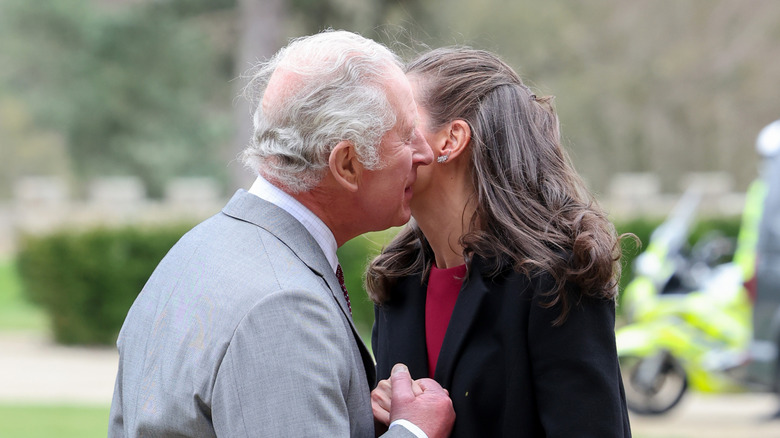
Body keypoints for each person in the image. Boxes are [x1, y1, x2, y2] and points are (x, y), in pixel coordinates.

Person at [108, 30, 455, 437]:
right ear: (346, 165)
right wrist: (414, 432)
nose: (425, 153)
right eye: (405, 134)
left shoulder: (198, 248)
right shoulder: (281, 308)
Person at [367, 47, 631, 437]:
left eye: (399, 120)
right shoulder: (396, 282)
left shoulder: (553, 278)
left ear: (451, 140)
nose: (376, 135)